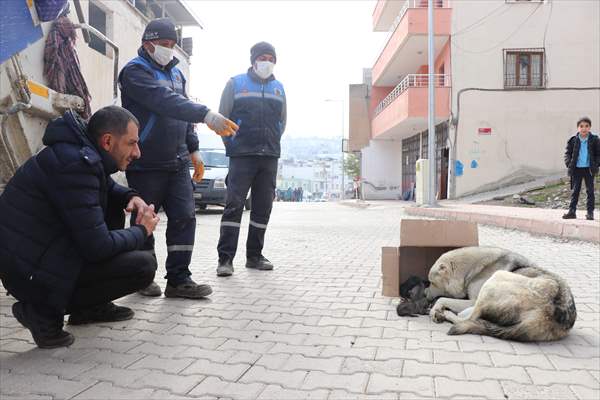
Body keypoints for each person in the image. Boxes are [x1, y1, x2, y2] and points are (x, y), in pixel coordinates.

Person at [0, 106, 159, 348]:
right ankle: (40, 313)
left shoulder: (78, 155)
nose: (137, 152)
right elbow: (98, 247)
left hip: (36, 259)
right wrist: (142, 231)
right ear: (107, 141)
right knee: (142, 267)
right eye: (131, 143)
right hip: (30, 274)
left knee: (114, 206)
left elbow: (104, 185)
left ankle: (89, 309)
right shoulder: (76, 164)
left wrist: (130, 196)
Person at [119, 18, 237, 297]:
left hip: (177, 161)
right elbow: (164, 102)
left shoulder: (177, 75)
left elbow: (182, 116)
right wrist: (207, 113)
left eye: (172, 45)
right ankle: (142, 277)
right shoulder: (134, 73)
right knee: (145, 220)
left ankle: (179, 279)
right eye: (163, 45)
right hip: (146, 161)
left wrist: (194, 150)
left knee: (185, 217)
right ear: (148, 43)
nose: (168, 50)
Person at [216, 41, 287, 277]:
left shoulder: (279, 88)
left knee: (262, 208)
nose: (268, 62)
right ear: (253, 60)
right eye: (263, 57)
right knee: (234, 206)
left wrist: (272, 142)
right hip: (242, 156)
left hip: (269, 156)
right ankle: (225, 259)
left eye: (272, 58)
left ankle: (254, 256)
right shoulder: (235, 84)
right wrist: (233, 146)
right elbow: (222, 120)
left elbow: (281, 123)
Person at [563, 117, 600, 220]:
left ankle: (590, 213)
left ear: (590, 127)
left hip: (589, 169)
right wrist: (569, 164)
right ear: (578, 128)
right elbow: (567, 154)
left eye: (586, 126)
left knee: (590, 191)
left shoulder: (595, 139)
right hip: (577, 169)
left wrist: (596, 165)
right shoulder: (573, 140)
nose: (584, 128)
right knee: (575, 191)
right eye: (581, 126)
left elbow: (598, 154)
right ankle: (572, 212)